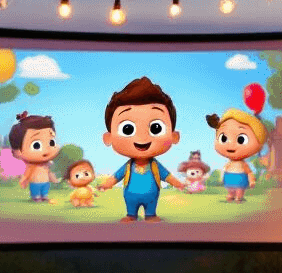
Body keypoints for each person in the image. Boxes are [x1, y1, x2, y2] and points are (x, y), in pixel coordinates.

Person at [98, 76, 186, 221]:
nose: (142, 138)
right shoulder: (127, 166)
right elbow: (116, 177)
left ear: (174, 136)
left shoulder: (155, 166)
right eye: (127, 129)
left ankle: (150, 214)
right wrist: (106, 185)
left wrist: (178, 184)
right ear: (109, 138)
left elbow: (167, 176)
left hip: (152, 197)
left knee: (151, 213)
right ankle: (131, 214)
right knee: (130, 211)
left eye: (156, 128)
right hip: (130, 197)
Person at [206, 108, 267, 202]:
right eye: (224, 138)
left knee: (239, 189)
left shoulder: (243, 164)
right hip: (230, 178)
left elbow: (249, 172)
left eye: (241, 139)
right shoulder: (229, 164)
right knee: (230, 189)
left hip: (240, 178)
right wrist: (222, 176)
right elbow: (225, 169)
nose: (230, 144)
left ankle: (239, 196)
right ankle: (230, 194)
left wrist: (252, 180)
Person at [8, 111, 59, 202]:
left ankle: (44, 196)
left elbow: (49, 172)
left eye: (51, 142)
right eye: (36, 145)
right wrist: (24, 180)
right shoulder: (32, 166)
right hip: (35, 182)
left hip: (45, 182)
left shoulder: (46, 164)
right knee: (35, 191)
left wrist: (53, 179)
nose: (47, 150)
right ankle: (36, 197)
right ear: (18, 151)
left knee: (45, 189)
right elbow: (27, 173)